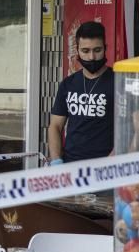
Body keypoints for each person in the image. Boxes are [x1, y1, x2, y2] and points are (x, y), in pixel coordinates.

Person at [48, 20, 114, 164]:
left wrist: (110, 164)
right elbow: (55, 126)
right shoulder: (68, 84)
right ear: (77, 50)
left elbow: (131, 130)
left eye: (97, 50)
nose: (91, 57)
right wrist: (56, 161)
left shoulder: (118, 82)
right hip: (70, 166)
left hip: (105, 168)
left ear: (105, 48)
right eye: (85, 51)